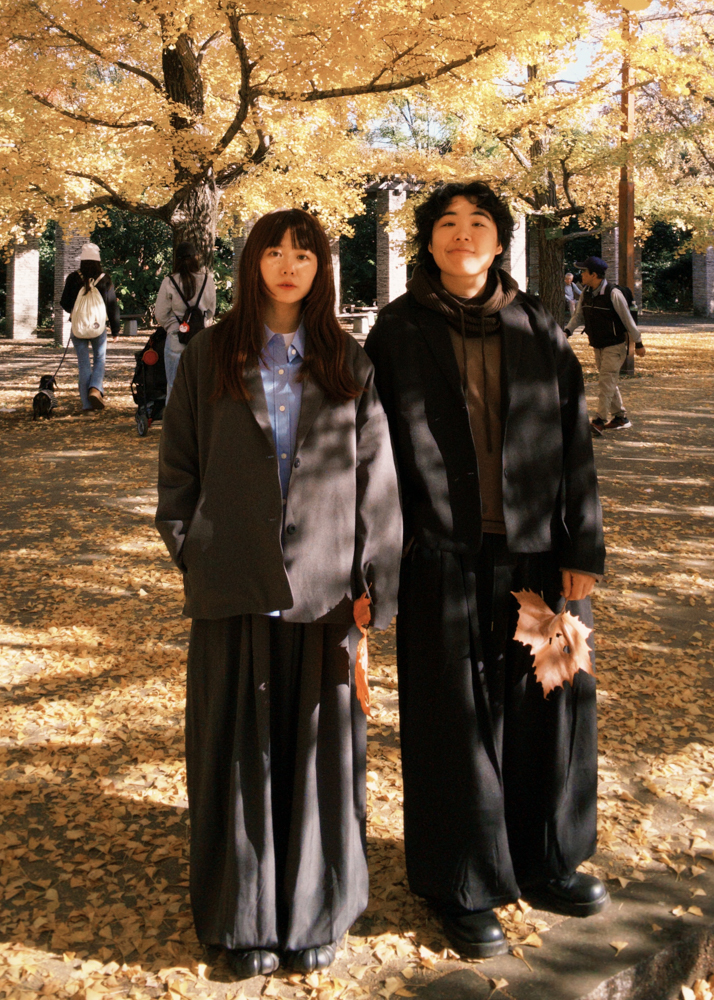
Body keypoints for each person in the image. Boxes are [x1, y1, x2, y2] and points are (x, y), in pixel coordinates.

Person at [155, 209, 402, 979]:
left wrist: (376, 581)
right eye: (274, 251)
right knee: (235, 758)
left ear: (321, 267)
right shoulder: (210, 355)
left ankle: (316, 915)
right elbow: (178, 468)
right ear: (252, 263)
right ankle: (241, 922)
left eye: (304, 253)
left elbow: (378, 481)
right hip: (233, 586)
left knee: (320, 760)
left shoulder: (347, 360)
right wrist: (195, 551)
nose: (289, 265)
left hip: (326, 593)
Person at [365, 181, 607, 959]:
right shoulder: (398, 331)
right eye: (447, 223)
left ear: (500, 241)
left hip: (541, 554)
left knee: (553, 704)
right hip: (442, 557)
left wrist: (583, 547)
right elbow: (373, 453)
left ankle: (550, 858)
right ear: (428, 240)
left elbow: (575, 437)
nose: (463, 234)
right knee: (452, 725)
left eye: (479, 223)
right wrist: (380, 558)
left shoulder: (538, 323)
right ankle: (462, 884)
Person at [565, 256, 646, 435]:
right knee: (608, 381)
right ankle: (620, 418)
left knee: (605, 382)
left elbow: (628, 320)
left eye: (584, 272)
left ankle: (599, 421)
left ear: (594, 275)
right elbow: (578, 316)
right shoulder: (586, 293)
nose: (581, 275)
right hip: (598, 345)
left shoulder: (613, 294)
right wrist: (567, 332)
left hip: (615, 346)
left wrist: (638, 343)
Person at [59, 243, 121, 413]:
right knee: (100, 359)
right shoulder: (105, 279)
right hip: (98, 327)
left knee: (83, 364)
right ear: (98, 260)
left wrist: (77, 311)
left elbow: (64, 303)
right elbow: (112, 306)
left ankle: (86, 404)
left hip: (78, 328)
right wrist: (115, 330)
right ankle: (95, 388)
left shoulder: (73, 278)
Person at [155, 240, 216, 401]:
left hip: (177, 337)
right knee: (200, 388)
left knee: (174, 387)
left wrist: (173, 326)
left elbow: (160, 313)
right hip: (201, 339)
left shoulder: (169, 281)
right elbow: (211, 311)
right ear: (196, 258)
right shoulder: (207, 281)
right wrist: (201, 323)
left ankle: (174, 418)